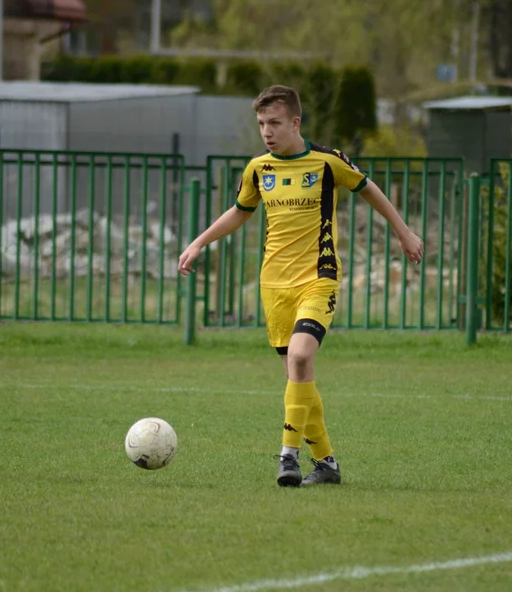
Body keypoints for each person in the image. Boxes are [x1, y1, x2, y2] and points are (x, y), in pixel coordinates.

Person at [178, 85, 424, 487]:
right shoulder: (258, 168)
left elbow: (369, 189)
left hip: (318, 277)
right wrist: (199, 242)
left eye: (274, 123)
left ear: (295, 122)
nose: (266, 132)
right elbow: (240, 212)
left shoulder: (327, 162)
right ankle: (326, 463)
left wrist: (404, 232)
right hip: (274, 286)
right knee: (299, 375)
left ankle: (287, 457)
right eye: (261, 124)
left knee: (300, 358)